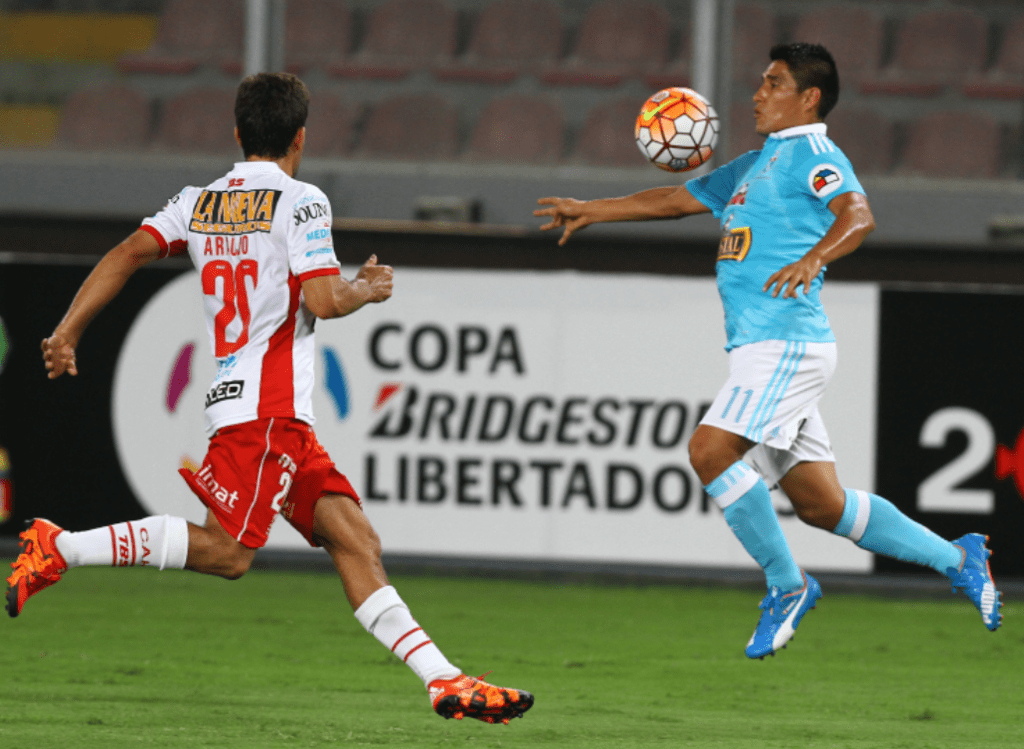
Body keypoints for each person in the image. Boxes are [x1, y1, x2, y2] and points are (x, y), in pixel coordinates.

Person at [7, 72, 533, 724]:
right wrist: (364, 289)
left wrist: (66, 331)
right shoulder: (301, 200)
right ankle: (61, 546)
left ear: (237, 133)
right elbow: (321, 300)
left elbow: (126, 252)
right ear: (300, 138)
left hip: (269, 416)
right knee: (228, 553)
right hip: (267, 412)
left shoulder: (198, 201)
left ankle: (444, 681)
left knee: (355, 540)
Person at [534, 43, 1002, 659]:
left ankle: (788, 585)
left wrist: (815, 257)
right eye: (761, 81)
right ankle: (958, 556)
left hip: (787, 344)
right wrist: (590, 210)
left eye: (773, 82)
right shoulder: (755, 164)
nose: (757, 93)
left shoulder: (815, 154)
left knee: (708, 449)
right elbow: (676, 200)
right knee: (820, 504)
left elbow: (858, 215)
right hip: (767, 349)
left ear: (808, 97)